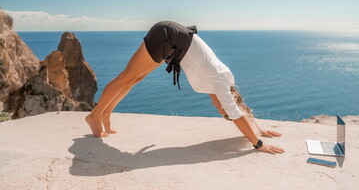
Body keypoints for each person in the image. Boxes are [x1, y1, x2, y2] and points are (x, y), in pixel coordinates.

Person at [85, 21, 285, 155]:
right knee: (127, 76)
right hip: (169, 37)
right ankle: (95, 115)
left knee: (134, 79)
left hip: (174, 41)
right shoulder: (219, 83)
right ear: (227, 100)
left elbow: (239, 108)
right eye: (220, 109)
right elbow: (235, 113)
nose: (217, 108)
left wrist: (258, 129)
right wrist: (258, 144)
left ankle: (106, 112)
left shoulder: (222, 83)